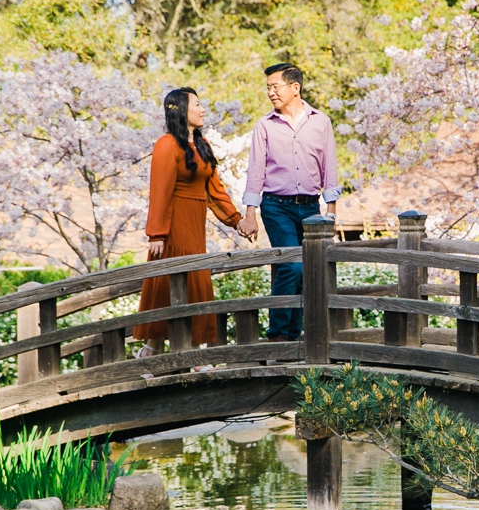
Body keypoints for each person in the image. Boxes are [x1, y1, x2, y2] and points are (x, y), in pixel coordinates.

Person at [235, 63, 340, 341]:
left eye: (275, 86)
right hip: (275, 206)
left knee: (308, 270)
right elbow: (255, 170)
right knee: (292, 265)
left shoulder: (321, 122)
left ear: (295, 88)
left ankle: (295, 335)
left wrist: (331, 211)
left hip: (310, 208)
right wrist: (250, 214)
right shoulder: (264, 126)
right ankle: (278, 334)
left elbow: (329, 167)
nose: (270, 92)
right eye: (268, 87)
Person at [133, 88, 244, 349]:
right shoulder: (167, 144)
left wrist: (236, 220)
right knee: (168, 284)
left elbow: (215, 191)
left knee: (194, 281)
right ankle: (160, 349)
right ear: (182, 110)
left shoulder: (203, 146)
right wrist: (157, 234)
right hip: (173, 227)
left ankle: (167, 351)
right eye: (197, 104)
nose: (203, 109)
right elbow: (160, 190)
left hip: (195, 226)